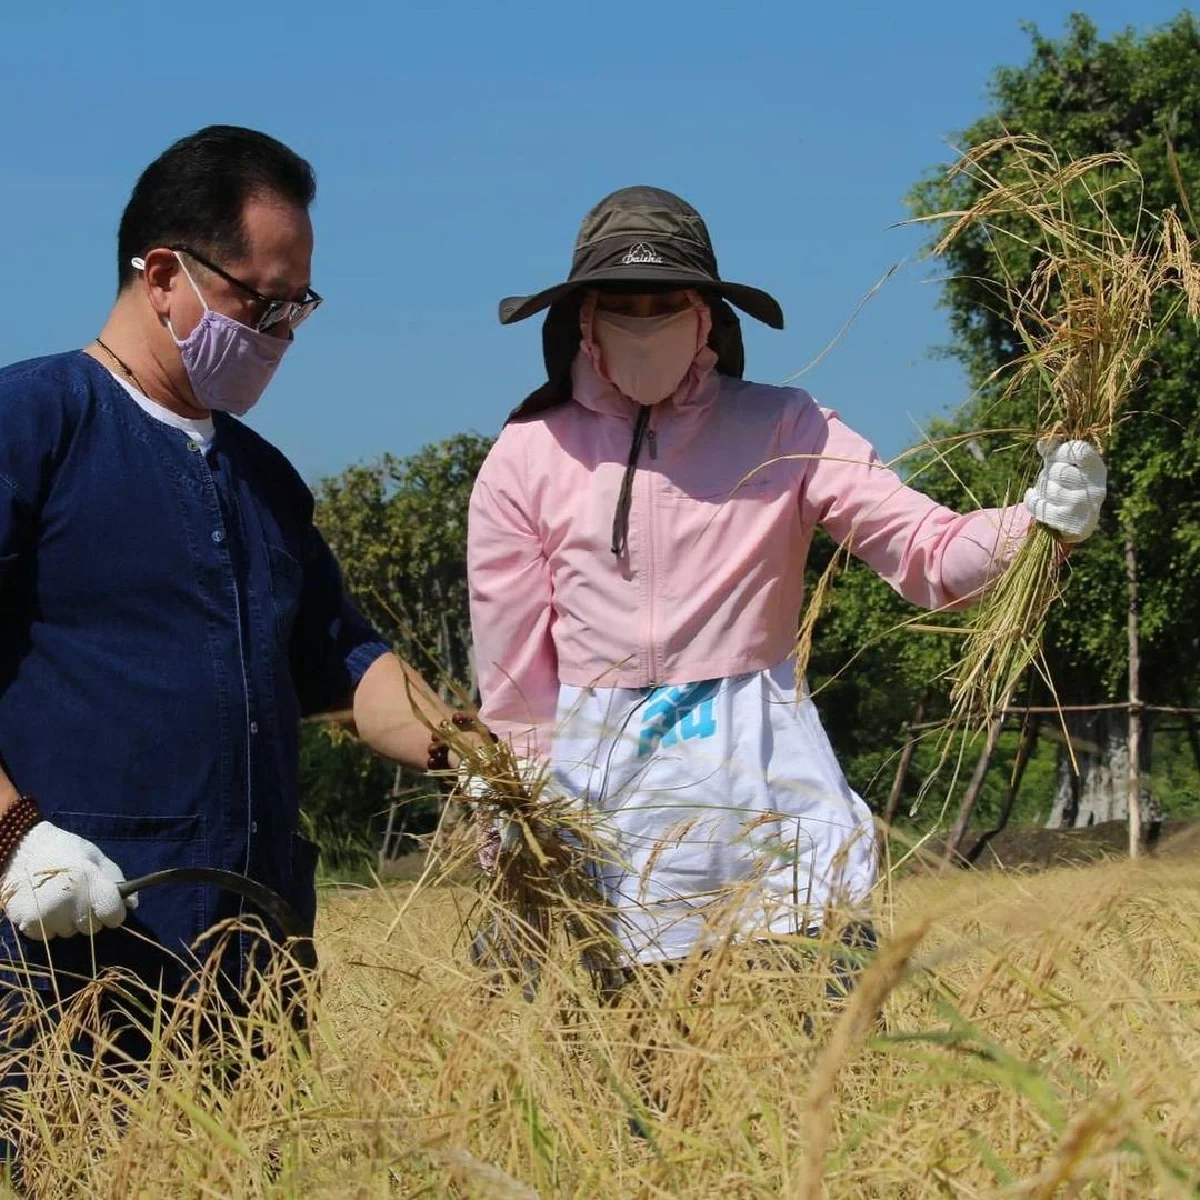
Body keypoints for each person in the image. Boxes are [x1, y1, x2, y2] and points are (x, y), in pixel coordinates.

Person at [466, 186, 1106, 977]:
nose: (645, 318)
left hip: (766, 773)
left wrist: (1038, 524)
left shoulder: (788, 428)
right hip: (602, 800)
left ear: (706, 314)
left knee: (814, 1052)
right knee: (614, 1072)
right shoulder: (527, 455)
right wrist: (514, 811)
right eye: (622, 301)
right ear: (583, 317)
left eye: (665, 298)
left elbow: (928, 555)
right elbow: (515, 682)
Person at [0, 126, 455, 1167]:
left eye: (301, 305)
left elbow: (346, 660)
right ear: (164, 275)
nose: (284, 329)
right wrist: (13, 835)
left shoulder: (265, 481)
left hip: (250, 971)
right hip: (66, 963)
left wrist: (465, 755)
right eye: (265, 299)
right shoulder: (34, 424)